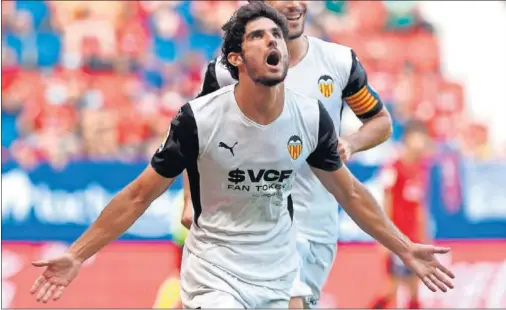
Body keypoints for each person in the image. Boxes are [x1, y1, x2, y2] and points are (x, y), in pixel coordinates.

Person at [30, 3, 454, 308]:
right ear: (235, 58)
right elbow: (139, 194)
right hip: (217, 257)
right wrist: (79, 253)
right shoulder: (201, 114)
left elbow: (354, 193)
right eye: (259, 35)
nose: (274, 38)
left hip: (292, 241)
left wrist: (403, 248)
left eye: (275, 36)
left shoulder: (317, 105)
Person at [180, 0, 394, 308]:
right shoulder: (230, 69)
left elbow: (380, 121)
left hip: (314, 225)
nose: (294, 5)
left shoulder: (338, 62)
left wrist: (352, 142)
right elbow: (196, 136)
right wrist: (190, 200)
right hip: (250, 224)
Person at [371, 121, 432, 309]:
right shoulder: (394, 167)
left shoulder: (421, 168)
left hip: (414, 240)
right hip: (397, 238)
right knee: (392, 290)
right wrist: (385, 238)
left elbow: (421, 206)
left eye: (423, 138)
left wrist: (425, 237)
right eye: (417, 138)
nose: (421, 143)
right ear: (407, 139)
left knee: (414, 289)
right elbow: (385, 203)